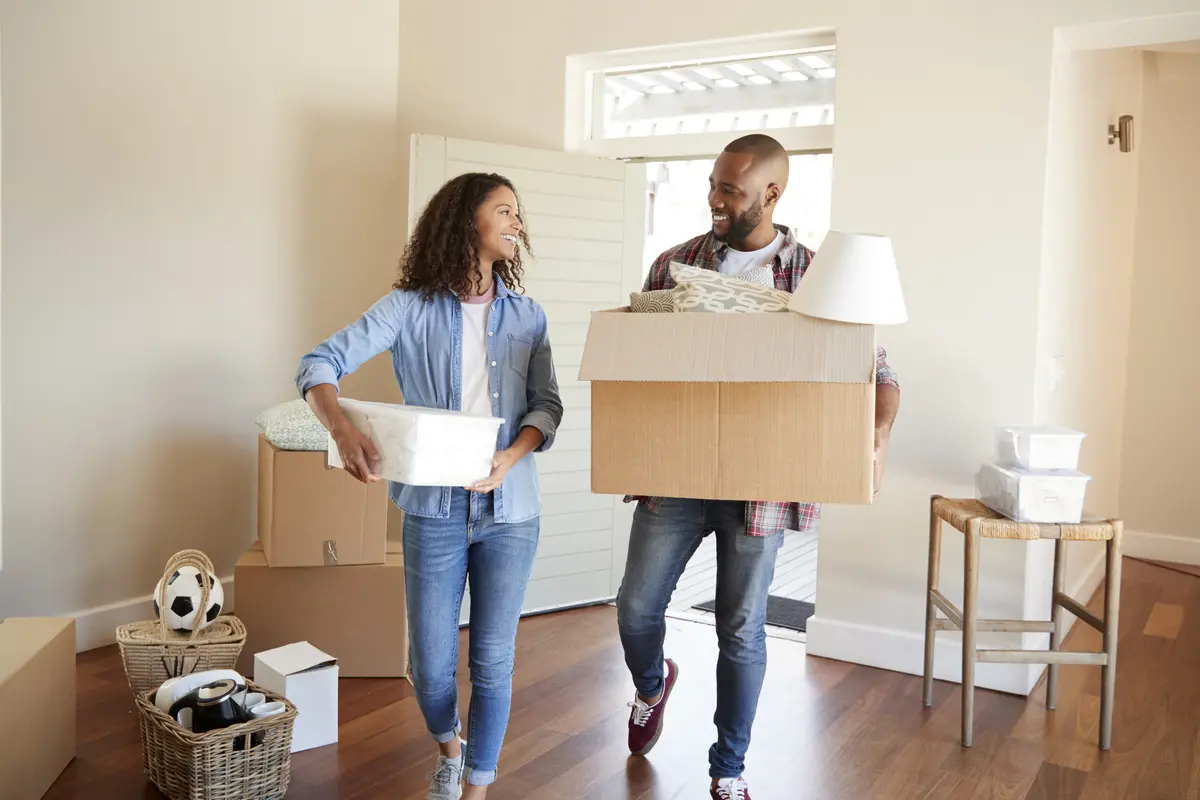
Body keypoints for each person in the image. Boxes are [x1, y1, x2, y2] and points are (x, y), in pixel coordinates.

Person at [615, 134, 901, 800]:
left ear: (772, 194)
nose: (715, 199)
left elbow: (878, 373)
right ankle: (652, 685)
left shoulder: (817, 275)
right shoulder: (674, 264)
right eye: (714, 184)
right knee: (635, 607)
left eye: (730, 190)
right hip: (677, 473)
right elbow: (635, 361)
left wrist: (877, 432)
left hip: (762, 483)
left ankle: (728, 769)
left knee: (741, 627)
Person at [295, 172, 563, 800]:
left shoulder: (529, 316)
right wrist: (340, 429)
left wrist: (512, 455)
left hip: (512, 512)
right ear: (466, 220)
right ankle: (449, 747)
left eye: (517, 213)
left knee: (493, 660)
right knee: (430, 667)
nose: (517, 223)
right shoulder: (408, 307)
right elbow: (317, 363)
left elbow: (547, 405)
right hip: (433, 512)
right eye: (505, 211)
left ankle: (476, 786)